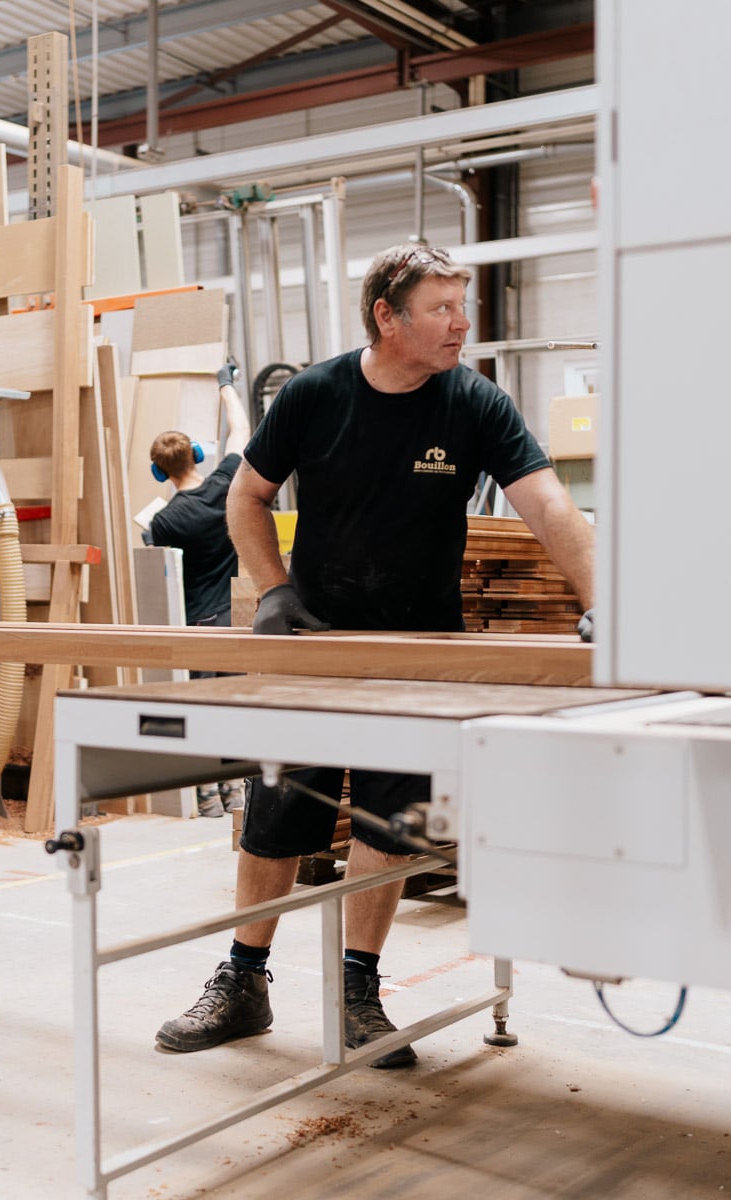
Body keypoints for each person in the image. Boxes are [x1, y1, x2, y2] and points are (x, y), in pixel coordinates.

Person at [155, 245, 596, 1066]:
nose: (461, 323)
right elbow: (248, 496)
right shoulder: (316, 395)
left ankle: (359, 990)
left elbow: (548, 504)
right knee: (279, 813)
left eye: (461, 306)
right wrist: (275, 590)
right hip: (317, 646)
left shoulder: (474, 403)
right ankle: (243, 980)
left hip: (420, 652)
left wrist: (606, 601)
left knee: (390, 824)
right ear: (386, 317)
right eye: (441, 308)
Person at [145, 361, 253, 818]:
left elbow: (157, 574)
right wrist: (225, 384)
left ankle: (207, 797)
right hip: (233, 621)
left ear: (158, 473)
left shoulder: (163, 520)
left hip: (196, 624)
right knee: (231, 707)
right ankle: (238, 794)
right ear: (198, 456)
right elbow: (241, 429)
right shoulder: (226, 485)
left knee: (201, 710)